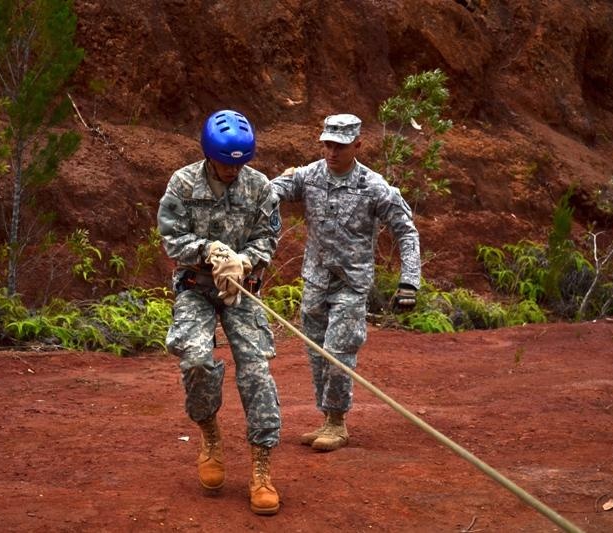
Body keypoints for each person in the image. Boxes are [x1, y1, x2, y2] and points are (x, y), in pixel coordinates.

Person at [156, 109, 283, 515]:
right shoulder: (183, 183)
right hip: (196, 288)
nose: (233, 170)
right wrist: (208, 251)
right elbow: (171, 239)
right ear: (210, 155)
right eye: (226, 163)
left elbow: (269, 238)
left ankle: (261, 469)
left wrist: (245, 262)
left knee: (257, 371)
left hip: (243, 291)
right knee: (195, 360)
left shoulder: (261, 187)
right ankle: (210, 435)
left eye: (240, 164)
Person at [270, 113, 421, 452]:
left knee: (339, 350)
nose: (332, 152)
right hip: (315, 281)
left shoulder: (374, 186)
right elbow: (271, 192)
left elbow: (406, 230)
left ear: (357, 144)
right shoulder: (309, 176)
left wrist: (409, 281)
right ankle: (327, 417)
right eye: (327, 144)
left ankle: (337, 422)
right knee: (317, 352)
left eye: (339, 146)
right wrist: (267, 186)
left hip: (351, 284)